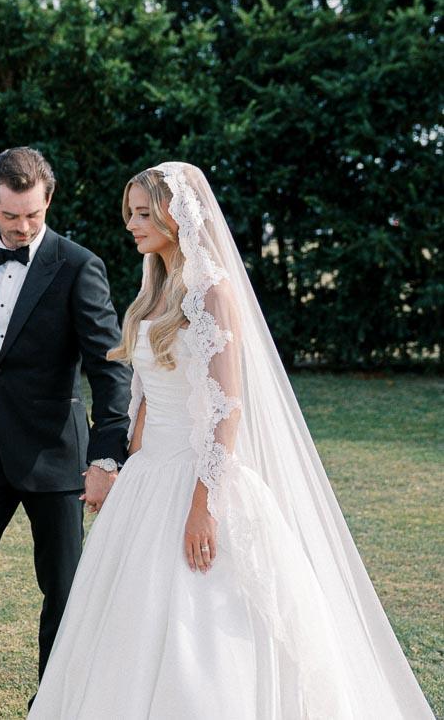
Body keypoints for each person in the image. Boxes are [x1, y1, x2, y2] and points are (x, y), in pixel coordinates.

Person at [28, 162, 434, 719]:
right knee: (129, 622)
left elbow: (226, 409)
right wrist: (120, 470)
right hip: (147, 480)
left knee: (204, 626)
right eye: (130, 213)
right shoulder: (152, 292)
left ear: (178, 217)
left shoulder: (212, 293)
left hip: (197, 478)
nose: (132, 224)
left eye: (144, 214)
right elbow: (143, 401)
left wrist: (204, 506)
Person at [0, 146, 132, 719]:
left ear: (48, 201)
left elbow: (110, 367)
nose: (21, 227)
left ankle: (55, 707)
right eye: (10, 215)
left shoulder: (78, 265)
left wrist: (107, 458)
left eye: (33, 215)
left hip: (57, 456)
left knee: (63, 594)